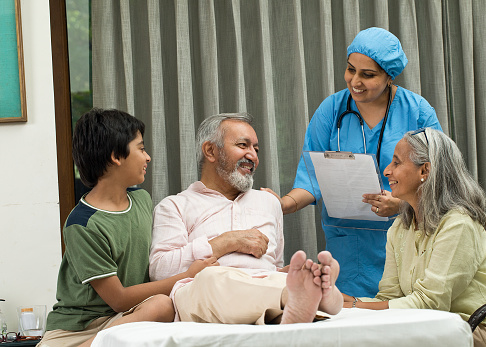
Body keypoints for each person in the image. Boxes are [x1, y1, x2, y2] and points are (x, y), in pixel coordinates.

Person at [262, 27, 442, 297]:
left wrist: (402, 205)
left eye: (368, 75)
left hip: (408, 236)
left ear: (389, 76)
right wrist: (282, 204)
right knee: (354, 322)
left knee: (403, 321)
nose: (355, 81)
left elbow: (440, 180)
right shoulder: (331, 110)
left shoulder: (417, 112)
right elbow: (312, 177)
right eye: (350, 70)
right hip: (349, 247)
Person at [38, 109, 217, 347]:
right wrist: (186, 276)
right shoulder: (83, 224)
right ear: (115, 156)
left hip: (125, 321)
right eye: (141, 148)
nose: (148, 157)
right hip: (76, 331)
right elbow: (119, 299)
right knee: (162, 304)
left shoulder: (141, 200)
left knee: (164, 306)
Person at [150, 113, 343, 324]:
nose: (253, 156)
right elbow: (160, 271)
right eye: (243, 145)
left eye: (256, 149)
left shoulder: (269, 203)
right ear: (210, 151)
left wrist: (288, 273)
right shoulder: (175, 205)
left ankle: (316, 295)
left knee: (280, 276)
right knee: (211, 278)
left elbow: (273, 264)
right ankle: (294, 298)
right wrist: (227, 242)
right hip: (204, 292)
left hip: (263, 283)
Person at [342, 128, 486, 347]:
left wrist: (355, 307)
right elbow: (390, 298)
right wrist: (345, 301)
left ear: (424, 170)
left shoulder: (458, 224)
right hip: (427, 326)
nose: (387, 171)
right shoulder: (400, 227)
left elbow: (431, 303)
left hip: (473, 330)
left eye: (396, 163)